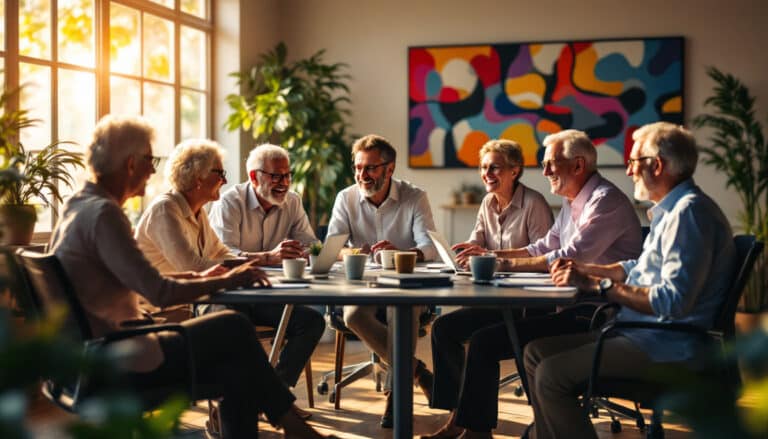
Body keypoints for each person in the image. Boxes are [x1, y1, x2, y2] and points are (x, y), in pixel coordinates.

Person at [48, 115, 331, 438]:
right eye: (149, 160)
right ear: (130, 164)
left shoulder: (79, 205)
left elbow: (151, 276)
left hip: (92, 352)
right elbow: (160, 292)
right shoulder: (105, 214)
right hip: (118, 356)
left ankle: (293, 427)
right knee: (233, 327)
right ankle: (295, 427)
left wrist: (218, 274)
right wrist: (227, 280)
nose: (154, 170)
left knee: (236, 363)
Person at [424, 129, 643, 439]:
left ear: (578, 166)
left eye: (551, 163)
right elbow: (541, 248)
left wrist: (503, 263)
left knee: (486, 342)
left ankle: (479, 429)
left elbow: (568, 257)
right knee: (457, 331)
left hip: (596, 313)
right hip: (567, 305)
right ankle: (468, 424)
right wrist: (490, 255)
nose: (545, 171)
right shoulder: (572, 202)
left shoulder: (604, 202)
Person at [524, 122, 736, 439]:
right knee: (534, 353)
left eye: (634, 162)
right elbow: (639, 266)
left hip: (666, 345)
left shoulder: (688, 214)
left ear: (657, 165)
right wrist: (588, 269)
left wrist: (599, 286)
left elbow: (673, 301)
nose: (628, 171)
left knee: (551, 376)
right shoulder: (671, 211)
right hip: (643, 333)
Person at [136, 140, 325, 400]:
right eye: (220, 173)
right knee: (236, 327)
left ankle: (274, 396)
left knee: (310, 321)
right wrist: (257, 264)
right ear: (197, 178)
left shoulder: (197, 212)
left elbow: (222, 254)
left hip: (217, 295)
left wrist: (252, 266)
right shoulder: (165, 210)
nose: (224, 181)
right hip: (174, 308)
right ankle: (265, 403)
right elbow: (193, 268)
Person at [326, 134, 437, 428]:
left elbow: (430, 247)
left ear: (390, 169)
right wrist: (352, 252)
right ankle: (416, 373)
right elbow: (331, 249)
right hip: (362, 287)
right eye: (358, 167)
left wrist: (401, 253)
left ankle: (395, 394)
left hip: (405, 286)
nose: (363, 175)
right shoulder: (345, 198)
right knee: (352, 315)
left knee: (403, 309)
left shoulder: (415, 197)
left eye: (371, 168)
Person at [208, 143, 318, 264]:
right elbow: (224, 256)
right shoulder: (229, 203)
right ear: (254, 177)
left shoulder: (293, 201)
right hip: (241, 279)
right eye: (276, 176)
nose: (285, 183)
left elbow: (309, 245)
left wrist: (307, 252)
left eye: (287, 175)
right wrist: (268, 257)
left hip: (281, 279)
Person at [451, 139, 553, 266]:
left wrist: (489, 256)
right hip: (494, 277)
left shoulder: (534, 203)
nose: (487, 174)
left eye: (494, 168)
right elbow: (478, 239)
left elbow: (542, 255)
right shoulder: (487, 201)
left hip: (526, 281)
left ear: (514, 172)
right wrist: (468, 250)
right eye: (484, 167)